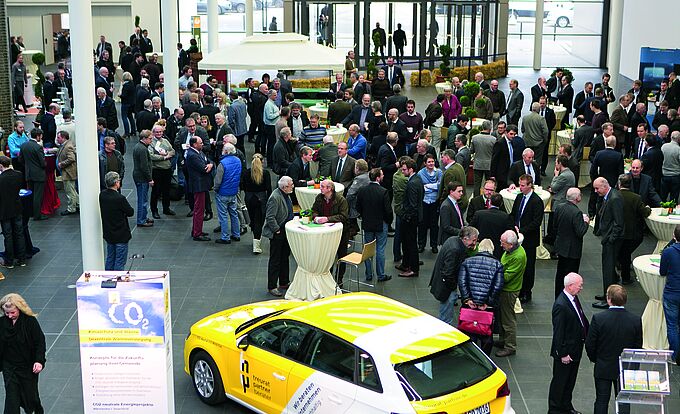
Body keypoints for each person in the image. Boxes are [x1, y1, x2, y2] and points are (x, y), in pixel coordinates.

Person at [585, 284, 642, 414]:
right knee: (624, 402)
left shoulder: (599, 319)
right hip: (625, 368)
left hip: (603, 366)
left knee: (601, 401)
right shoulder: (635, 320)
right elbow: (637, 347)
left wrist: (597, 359)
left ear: (609, 299)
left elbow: (590, 344)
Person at [548, 273, 588, 414]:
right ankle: (555, 410)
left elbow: (580, 318)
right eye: (579, 285)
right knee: (560, 383)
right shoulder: (561, 305)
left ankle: (566, 407)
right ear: (570, 286)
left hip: (574, 350)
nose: (581, 288)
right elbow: (559, 333)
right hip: (566, 353)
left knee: (569, 382)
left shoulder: (573, 298)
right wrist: (563, 353)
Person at [0, 293, 46, 414]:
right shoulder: (2, 323)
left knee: (31, 397)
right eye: (6, 313)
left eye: (13, 312)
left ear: (20, 309)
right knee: (11, 398)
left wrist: (39, 361)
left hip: (27, 367)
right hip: (9, 367)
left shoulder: (30, 322)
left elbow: (39, 342)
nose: (9, 316)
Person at [458, 239, 504, 355]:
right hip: (486, 307)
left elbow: (462, 282)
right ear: (492, 250)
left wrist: (467, 299)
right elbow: (497, 286)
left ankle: (471, 355)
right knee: (486, 333)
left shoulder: (467, 262)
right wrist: (488, 303)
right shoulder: (497, 265)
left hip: (470, 305)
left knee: (469, 330)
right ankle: (485, 357)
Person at [430, 226, 479, 325]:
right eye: (473, 240)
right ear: (465, 238)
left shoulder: (453, 240)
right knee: (446, 316)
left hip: (443, 282)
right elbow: (448, 273)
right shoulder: (455, 250)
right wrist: (453, 287)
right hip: (446, 287)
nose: (475, 243)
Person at [591, 177, 625, 308]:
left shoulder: (614, 198)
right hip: (608, 237)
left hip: (612, 240)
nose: (595, 191)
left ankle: (609, 299)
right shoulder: (608, 196)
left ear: (605, 186)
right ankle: (608, 293)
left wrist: (611, 239)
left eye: (597, 188)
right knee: (608, 268)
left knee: (608, 269)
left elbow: (619, 222)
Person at [511, 174, 544, 304]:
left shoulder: (537, 201)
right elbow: (514, 214)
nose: (520, 187)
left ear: (530, 185)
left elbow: (536, 222)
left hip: (529, 239)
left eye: (523, 185)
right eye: (520, 185)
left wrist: (522, 230)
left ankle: (527, 291)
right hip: (517, 237)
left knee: (528, 266)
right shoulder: (519, 197)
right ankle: (519, 289)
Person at [356, 167, 393, 282]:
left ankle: (368, 274)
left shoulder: (362, 190)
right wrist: (388, 221)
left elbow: (358, 207)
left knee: (367, 249)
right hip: (381, 224)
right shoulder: (383, 191)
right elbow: (388, 210)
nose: (383, 176)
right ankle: (381, 274)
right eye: (381, 175)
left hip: (367, 223)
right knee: (380, 249)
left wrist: (363, 216)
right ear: (377, 178)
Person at [312, 179, 350, 284]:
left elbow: (343, 216)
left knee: (341, 256)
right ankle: (327, 280)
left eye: (323, 186)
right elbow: (314, 210)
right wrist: (316, 217)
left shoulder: (341, 200)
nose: (320, 188)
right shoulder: (319, 198)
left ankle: (339, 280)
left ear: (330, 189)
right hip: (325, 233)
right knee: (327, 256)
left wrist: (327, 219)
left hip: (341, 233)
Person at [553, 187, 589, 298]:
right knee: (571, 276)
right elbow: (580, 232)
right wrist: (585, 222)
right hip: (572, 250)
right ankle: (569, 297)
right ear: (577, 198)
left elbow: (555, 225)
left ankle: (558, 296)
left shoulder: (559, 207)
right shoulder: (576, 212)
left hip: (561, 247)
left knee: (560, 275)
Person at [262, 176, 295, 296]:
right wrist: (276, 230)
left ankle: (284, 282)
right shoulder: (275, 198)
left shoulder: (285, 194)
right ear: (285, 187)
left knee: (284, 257)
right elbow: (270, 217)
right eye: (291, 185)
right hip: (278, 232)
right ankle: (272, 286)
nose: (293, 186)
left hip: (285, 231)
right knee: (275, 260)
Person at [496, 230, 526, 357]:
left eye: (503, 243)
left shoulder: (518, 256)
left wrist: (494, 275)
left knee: (508, 319)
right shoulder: (510, 251)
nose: (501, 245)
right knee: (502, 316)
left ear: (511, 244)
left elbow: (507, 276)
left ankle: (510, 346)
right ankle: (503, 340)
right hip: (505, 289)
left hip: (509, 291)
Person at [618, 174, 651, 285]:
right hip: (631, 231)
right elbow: (644, 212)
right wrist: (648, 208)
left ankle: (619, 270)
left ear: (619, 184)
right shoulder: (636, 198)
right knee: (626, 254)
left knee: (621, 252)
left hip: (618, 230)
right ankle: (626, 277)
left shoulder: (614, 195)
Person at [99, 172, 134, 270]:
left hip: (109, 233)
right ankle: (117, 278)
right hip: (121, 234)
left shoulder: (102, 195)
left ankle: (108, 277)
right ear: (116, 183)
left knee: (110, 258)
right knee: (120, 261)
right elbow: (130, 212)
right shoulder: (120, 198)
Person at [397, 158, 423, 278]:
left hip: (411, 219)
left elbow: (412, 205)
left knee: (411, 243)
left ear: (411, 169)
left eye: (404, 169)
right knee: (408, 242)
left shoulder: (412, 183)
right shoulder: (417, 179)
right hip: (414, 217)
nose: (402, 172)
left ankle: (413, 269)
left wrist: (406, 216)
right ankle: (406, 264)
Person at [185, 137, 214, 241]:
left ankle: (196, 230)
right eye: (200, 143)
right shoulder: (193, 155)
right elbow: (203, 169)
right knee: (199, 209)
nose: (202, 144)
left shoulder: (199, 152)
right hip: (198, 185)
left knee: (200, 209)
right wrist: (210, 166)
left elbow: (209, 161)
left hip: (201, 185)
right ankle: (197, 233)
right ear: (194, 144)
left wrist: (210, 164)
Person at [213, 143, 242, 245]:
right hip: (233, 191)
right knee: (234, 214)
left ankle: (225, 237)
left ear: (226, 151)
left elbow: (218, 180)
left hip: (222, 193)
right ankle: (236, 234)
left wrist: (215, 189)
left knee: (223, 216)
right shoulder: (238, 161)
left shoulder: (222, 163)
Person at [242, 154, 271, 254]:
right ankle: (256, 243)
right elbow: (269, 189)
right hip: (261, 199)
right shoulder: (265, 173)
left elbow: (243, 186)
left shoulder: (246, 172)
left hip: (249, 198)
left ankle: (255, 237)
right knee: (259, 221)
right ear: (262, 161)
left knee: (253, 220)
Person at [0, 156, 26, 269]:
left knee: (8, 235)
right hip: (17, 208)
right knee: (19, 233)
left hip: (4, 210)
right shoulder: (18, 174)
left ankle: (9, 261)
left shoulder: (1, 178)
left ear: (1, 165)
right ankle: (22, 259)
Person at [471, 193, 514, 260]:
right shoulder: (505, 217)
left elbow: (470, 229)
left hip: (480, 248)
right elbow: (512, 233)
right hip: (498, 251)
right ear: (501, 204)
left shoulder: (479, 214)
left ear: (490, 202)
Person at [19, 128, 47, 221]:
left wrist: (27, 166)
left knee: (31, 195)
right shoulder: (38, 147)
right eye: (41, 136)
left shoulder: (23, 145)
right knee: (38, 196)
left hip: (29, 174)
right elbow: (42, 163)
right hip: (38, 174)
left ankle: (30, 213)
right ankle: (37, 215)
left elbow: (20, 160)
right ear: (38, 136)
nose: (41, 138)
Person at [418, 154, 442, 253]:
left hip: (434, 202)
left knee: (434, 225)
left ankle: (434, 245)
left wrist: (428, 186)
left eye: (432, 161)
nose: (431, 163)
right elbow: (421, 188)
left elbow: (440, 186)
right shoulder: (420, 173)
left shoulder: (439, 172)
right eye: (429, 162)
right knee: (422, 224)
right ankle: (421, 244)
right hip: (424, 201)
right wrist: (434, 186)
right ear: (425, 163)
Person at [132, 130, 154, 227]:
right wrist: (150, 179)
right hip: (142, 178)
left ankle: (143, 217)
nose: (151, 140)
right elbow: (144, 166)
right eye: (150, 139)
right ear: (144, 138)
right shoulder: (143, 149)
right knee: (142, 200)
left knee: (143, 199)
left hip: (139, 176)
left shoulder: (138, 147)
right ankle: (141, 220)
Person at [56, 130, 79, 216]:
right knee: (72, 190)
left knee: (69, 191)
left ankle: (71, 208)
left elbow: (71, 158)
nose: (57, 139)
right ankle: (78, 204)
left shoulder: (68, 146)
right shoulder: (65, 145)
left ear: (63, 138)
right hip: (67, 172)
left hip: (68, 172)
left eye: (58, 137)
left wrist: (61, 164)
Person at [470, 120, 496, 195]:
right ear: (490, 128)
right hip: (489, 164)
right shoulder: (493, 139)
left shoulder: (474, 138)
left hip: (478, 163)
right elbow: (494, 153)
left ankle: (476, 198)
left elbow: (471, 150)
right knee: (490, 184)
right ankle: (489, 196)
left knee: (477, 184)